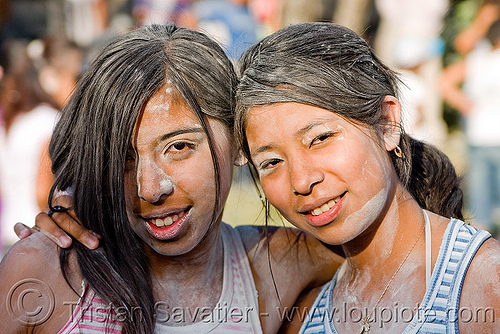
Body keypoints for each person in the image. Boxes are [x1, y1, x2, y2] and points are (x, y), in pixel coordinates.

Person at [1, 23, 343, 333]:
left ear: (239, 142)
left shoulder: (278, 267)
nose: (151, 189)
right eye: (122, 158)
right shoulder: (47, 273)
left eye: (179, 146)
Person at [234, 22, 500, 332]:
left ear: (387, 124)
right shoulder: (305, 314)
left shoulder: (484, 286)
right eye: (271, 162)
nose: (301, 181)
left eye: (320, 138)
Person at [440, 19, 500, 237]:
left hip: (478, 134)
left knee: (481, 197)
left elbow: (445, 82)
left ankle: (485, 247)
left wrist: (465, 104)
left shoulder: (476, 60)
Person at [0, 38, 59, 255]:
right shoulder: (48, 119)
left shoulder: (10, 122)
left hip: (9, 233)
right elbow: (43, 192)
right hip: (40, 235)